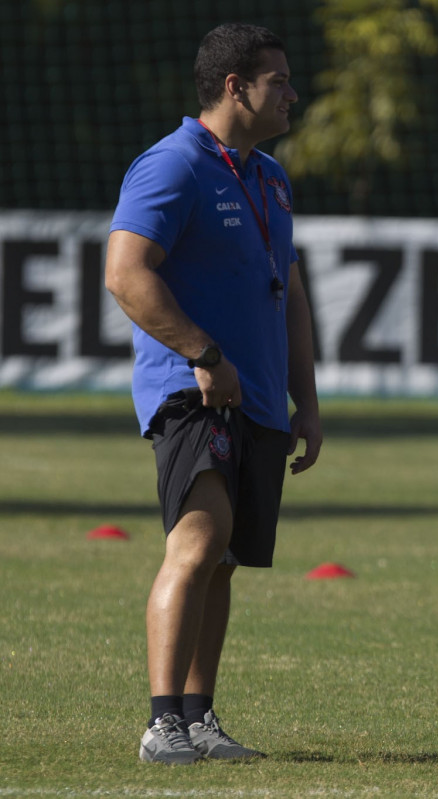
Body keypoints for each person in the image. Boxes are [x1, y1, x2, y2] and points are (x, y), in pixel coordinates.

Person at [105, 23, 321, 765]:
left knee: (222, 556)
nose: (293, 93)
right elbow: (127, 271)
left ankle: (198, 719)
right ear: (237, 88)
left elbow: (288, 290)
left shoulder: (268, 175)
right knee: (197, 542)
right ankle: (162, 721)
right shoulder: (172, 165)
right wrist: (202, 353)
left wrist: (308, 402)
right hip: (193, 394)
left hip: (256, 399)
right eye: (279, 80)